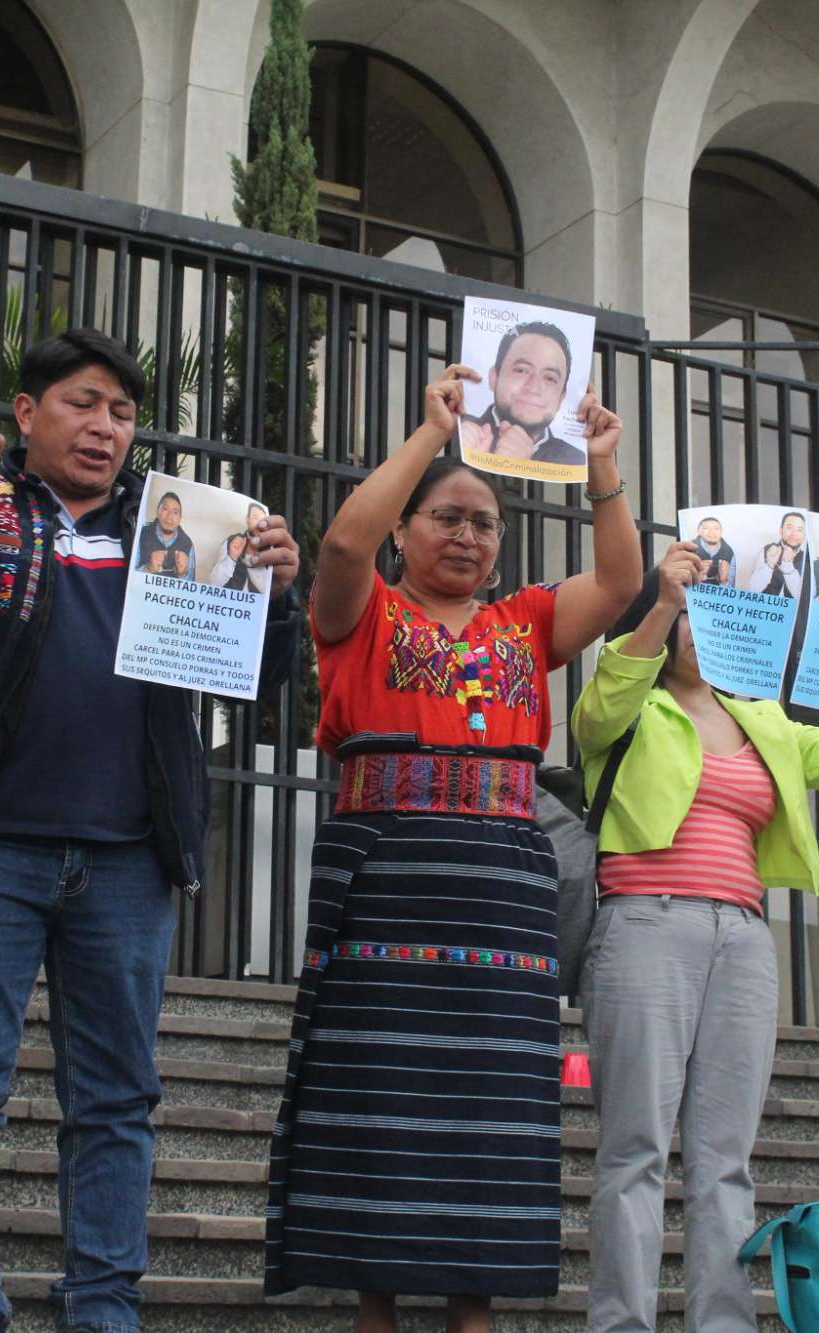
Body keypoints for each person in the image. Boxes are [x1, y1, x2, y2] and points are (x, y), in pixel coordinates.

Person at [0, 328, 303, 1333]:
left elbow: (259, 680)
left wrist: (277, 599)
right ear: (26, 413)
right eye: (82, 403)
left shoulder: (182, 522)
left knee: (115, 1097)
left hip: (126, 857)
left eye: (120, 411)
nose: (104, 426)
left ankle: (104, 1302)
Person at [264, 362, 643, 1332]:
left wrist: (602, 466)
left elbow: (618, 581)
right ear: (403, 530)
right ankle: (375, 1308)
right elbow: (339, 541)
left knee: (489, 1102)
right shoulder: (362, 612)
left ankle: (473, 1311)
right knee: (377, 1090)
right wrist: (434, 433)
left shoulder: (525, 622)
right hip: (386, 876)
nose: (467, 535)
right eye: (446, 517)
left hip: (501, 889)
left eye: (484, 523)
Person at [577, 541, 819, 1333]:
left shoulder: (764, 719)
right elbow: (599, 709)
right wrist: (664, 597)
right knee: (635, 1147)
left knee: (725, 1160)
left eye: (714, 615)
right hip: (646, 922)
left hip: (743, 939)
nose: (702, 628)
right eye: (689, 616)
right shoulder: (630, 701)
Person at [457, 320, 585, 468]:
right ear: (494, 377)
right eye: (521, 370)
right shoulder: (456, 430)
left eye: (550, 378)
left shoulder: (576, 461)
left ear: (562, 397)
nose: (534, 387)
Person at [134, 489, 197, 578]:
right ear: (158, 512)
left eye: (175, 512)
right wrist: (149, 568)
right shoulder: (140, 534)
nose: (170, 516)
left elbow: (191, 582)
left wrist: (182, 573)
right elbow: (129, 577)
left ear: (180, 518)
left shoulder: (188, 544)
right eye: (165, 509)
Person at [688, 515, 733, 584]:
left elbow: (732, 585)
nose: (711, 532)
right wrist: (696, 577)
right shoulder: (688, 548)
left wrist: (724, 580)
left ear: (721, 531)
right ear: (699, 531)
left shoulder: (729, 552)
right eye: (706, 528)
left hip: (717, 590)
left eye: (716, 528)